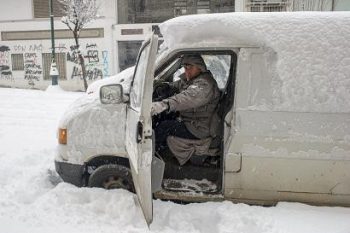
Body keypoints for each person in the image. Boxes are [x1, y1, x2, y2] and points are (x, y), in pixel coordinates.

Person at [151, 54, 220, 160]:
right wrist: (165, 86)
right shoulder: (194, 79)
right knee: (165, 117)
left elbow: (186, 98)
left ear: (200, 67)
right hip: (192, 121)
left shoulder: (205, 84)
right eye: (185, 68)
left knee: (164, 126)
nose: (187, 71)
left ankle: (152, 157)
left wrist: (165, 104)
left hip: (198, 128)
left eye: (190, 68)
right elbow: (179, 85)